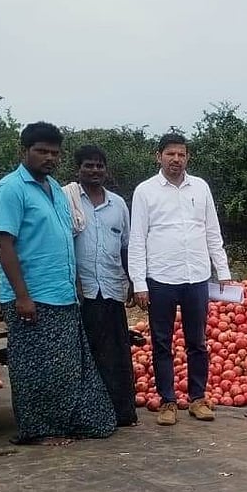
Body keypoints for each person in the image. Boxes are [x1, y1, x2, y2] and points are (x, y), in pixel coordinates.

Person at [0, 121, 115, 446]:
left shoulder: (55, 189)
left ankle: (65, 423)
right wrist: (22, 296)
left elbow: (61, 237)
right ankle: (39, 430)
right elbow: (4, 243)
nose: (49, 158)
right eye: (41, 151)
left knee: (65, 368)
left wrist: (75, 285)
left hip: (61, 294)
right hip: (32, 296)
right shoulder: (10, 189)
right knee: (35, 368)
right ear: (24, 151)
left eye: (54, 153)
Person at [129, 132, 237, 426]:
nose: (176, 159)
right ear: (158, 156)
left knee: (197, 341)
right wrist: (139, 283)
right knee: (162, 343)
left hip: (196, 277)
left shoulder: (200, 187)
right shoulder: (145, 191)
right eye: (170, 154)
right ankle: (167, 401)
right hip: (161, 278)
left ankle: (197, 398)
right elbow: (137, 239)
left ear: (188, 157)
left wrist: (223, 272)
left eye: (181, 154)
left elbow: (212, 232)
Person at [69, 145, 138, 427]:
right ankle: (91, 415)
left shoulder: (118, 204)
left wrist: (133, 280)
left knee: (117, 353)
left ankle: (121, 413)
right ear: (78, 169)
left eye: (99, 165)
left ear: (106, 170)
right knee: (87, 354)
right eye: (88, 165)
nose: (95, 170)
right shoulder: (67, 200)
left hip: (111, 288)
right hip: (81, 292)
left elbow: (126, 246)